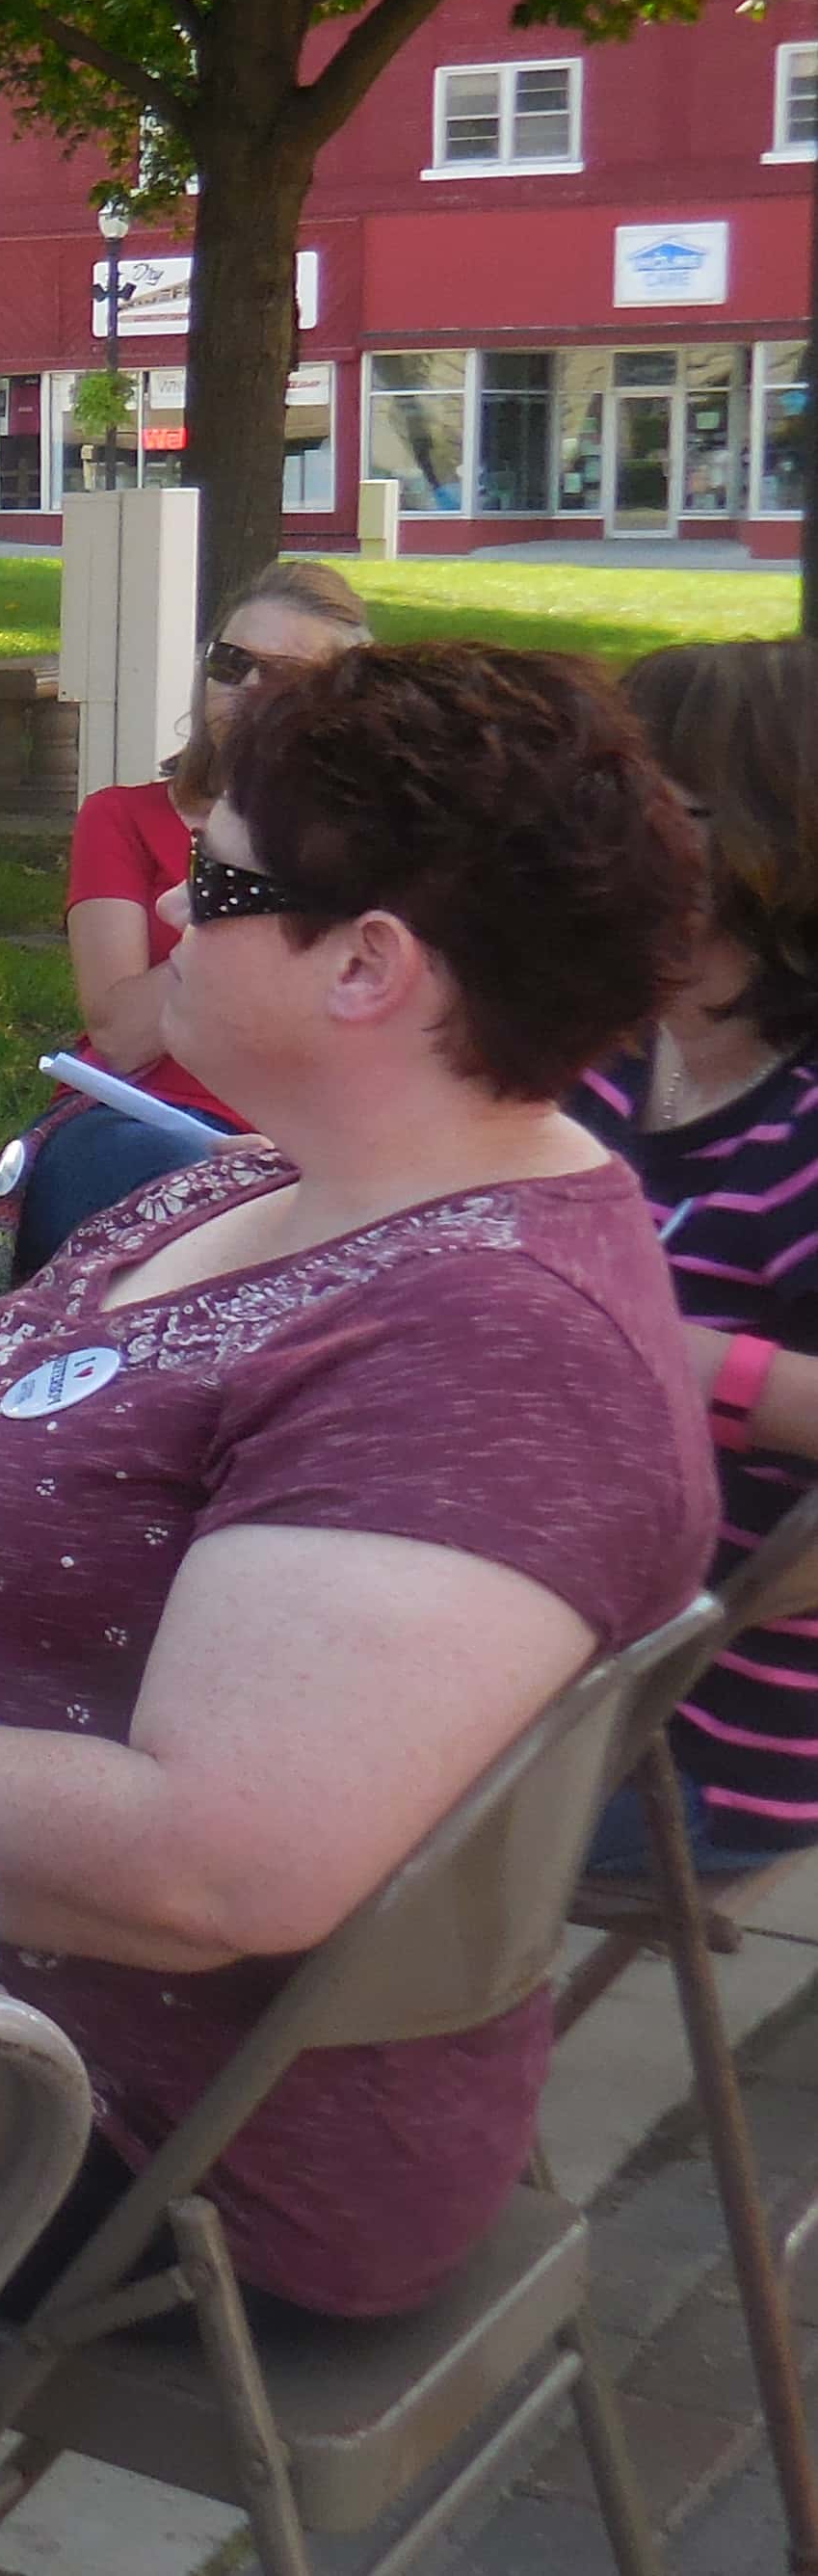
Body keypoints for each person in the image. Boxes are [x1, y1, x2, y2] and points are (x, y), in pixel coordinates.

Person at [0, 641, 711, 2321]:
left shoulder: (491, 1346)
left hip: (133, 2136)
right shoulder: (264, 1183)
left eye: (216, 879)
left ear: (369, 964)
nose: (167, 910)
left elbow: (212, 1867)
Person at [573, 635, 818, 1872]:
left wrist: (651, 1349)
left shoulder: (801, 1126)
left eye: (633, 804)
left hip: (684, 1745)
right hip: (530, 1651)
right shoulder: (615, 1052)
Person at [23, 561, 371, 1273]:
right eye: (232, 662)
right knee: (185, 1187)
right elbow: (120, 1034)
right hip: (146, 1121)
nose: (246, 688)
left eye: (284, 676)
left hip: (313, 1132)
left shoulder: (374, 841)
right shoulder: (122, 816)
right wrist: (241, 890)